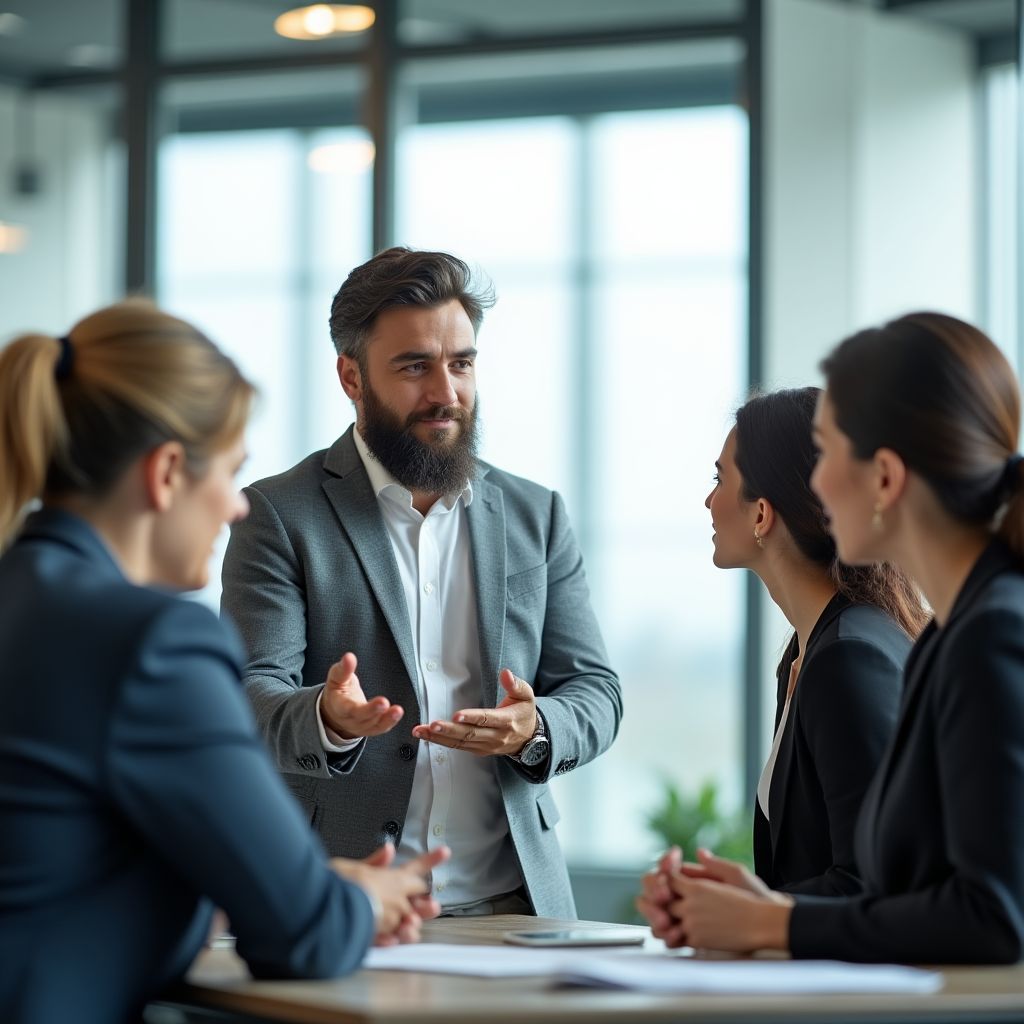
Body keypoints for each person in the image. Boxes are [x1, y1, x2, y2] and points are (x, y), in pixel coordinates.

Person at [0, 301, 447, 1024]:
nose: (236, 507)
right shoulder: (154, 643)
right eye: (230, 472)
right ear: (167, 473)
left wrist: (303, 883)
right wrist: (357, 901)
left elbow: (58, 861)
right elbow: (303, 936)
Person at [222, 246, 622, 918]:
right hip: (349, 906)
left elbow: (596, 691)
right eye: (415, 367)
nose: (445, 393)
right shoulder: (278, 514)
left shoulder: (536, 514)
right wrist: (327, 718)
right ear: (352, 376)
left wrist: (535, 727)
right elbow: (248, 694)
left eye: (461, 364)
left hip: (518, 907)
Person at [639, 312, 1024, 964]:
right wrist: (763, 908)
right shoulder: (946, 636)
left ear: (884, 478)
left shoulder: (986, 635)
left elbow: (993, 918)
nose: (814, 484)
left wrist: (775, 924)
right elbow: (906, 888)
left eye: (829, 453)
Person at [641, 389, 925, 916]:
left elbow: (882, 885)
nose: (708, 501)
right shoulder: (811, 650)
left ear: (762, 514)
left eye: (719, 480)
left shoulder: (848, 659)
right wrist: (731, 902)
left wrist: (751, 912)